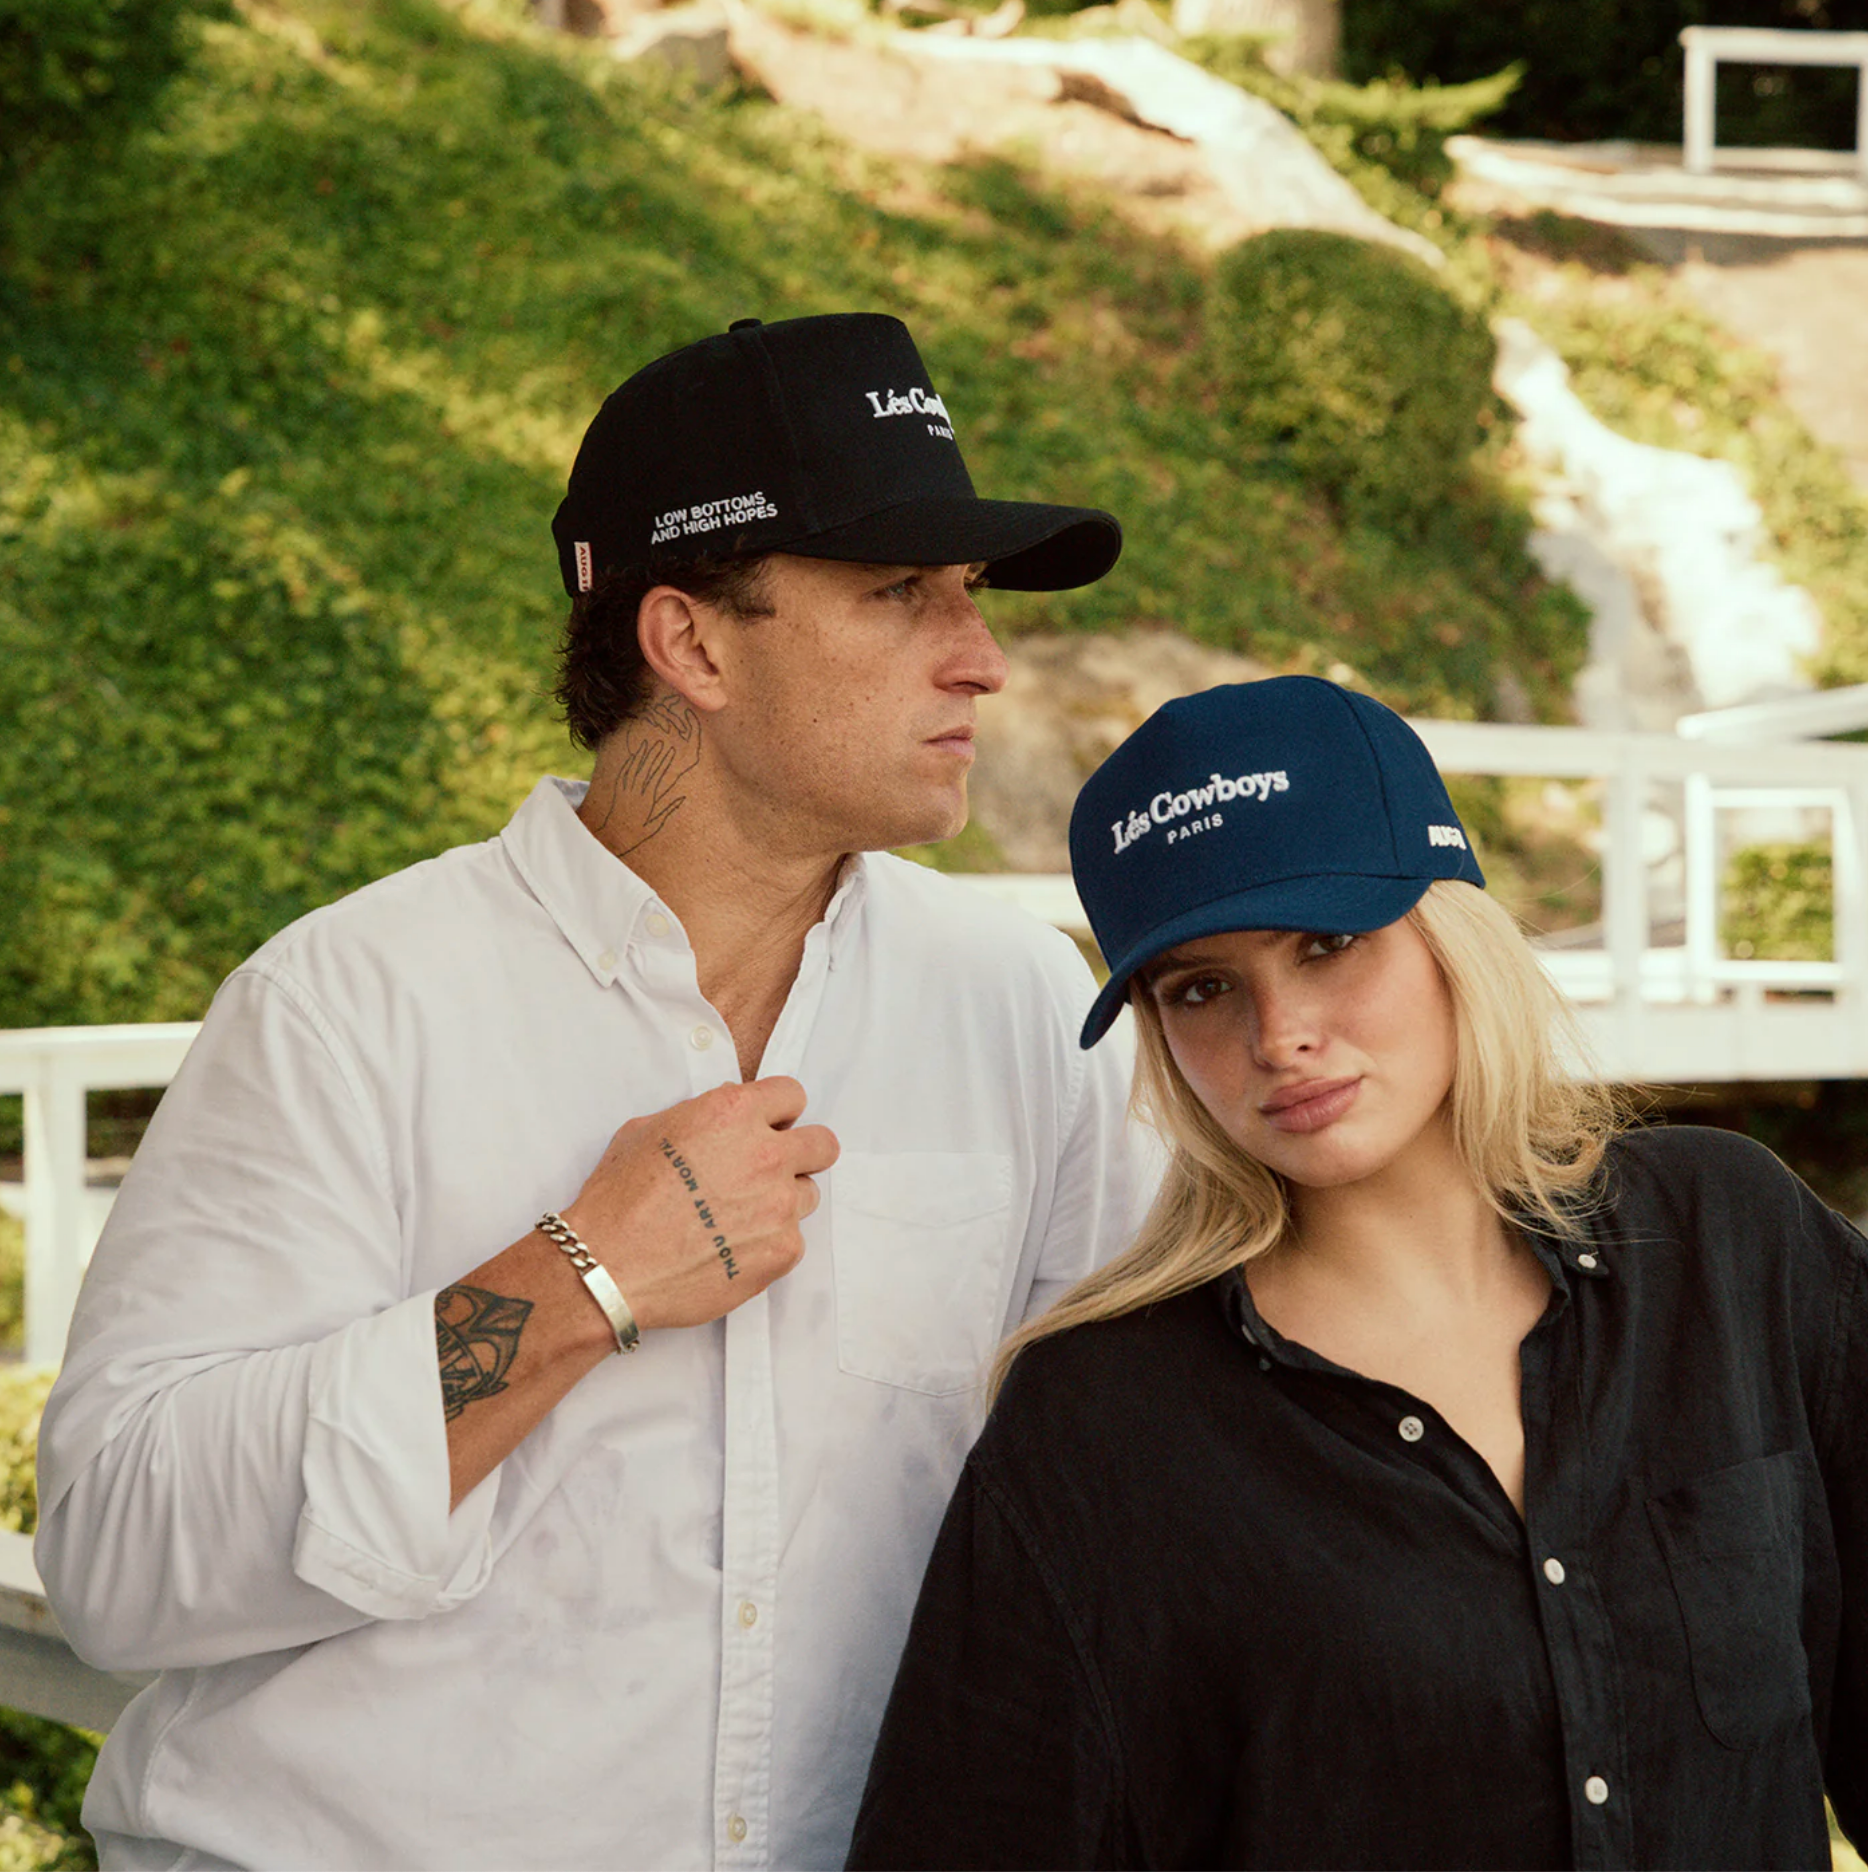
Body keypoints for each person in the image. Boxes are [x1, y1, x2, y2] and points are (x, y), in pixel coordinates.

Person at [34, 312, 1149, 1871]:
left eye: (968, 592)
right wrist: (578, 1280)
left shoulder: (1025, 1009)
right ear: (690, 644)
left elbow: (1133, 1495)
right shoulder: (344, 1006)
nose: (982, 657)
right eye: (900, 593)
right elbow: (117, 1555)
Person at [847, 674, 1868, 1871]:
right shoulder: (1099, 1422)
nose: (1278, 1035)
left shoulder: (1725, 1243)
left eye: (1327, 943)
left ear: (1448, 929)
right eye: (1200, 988)